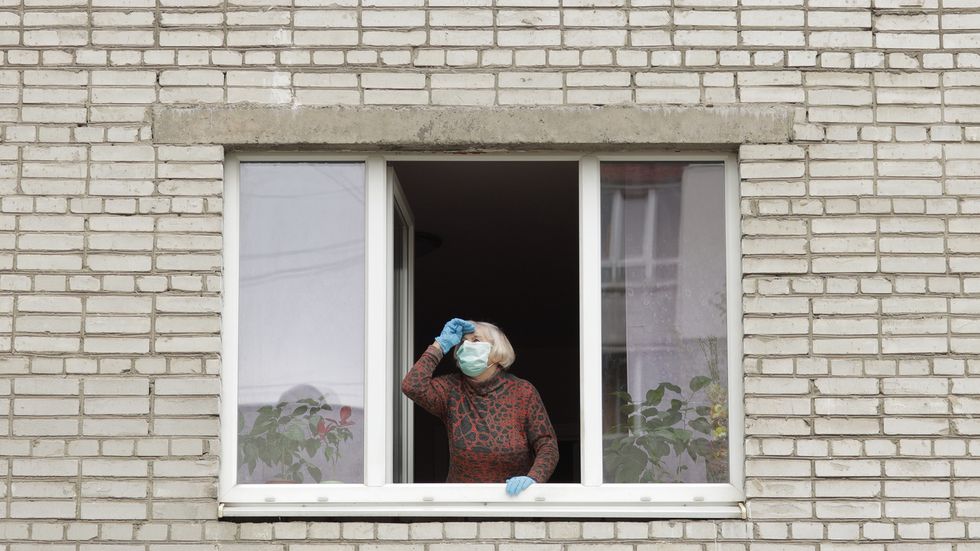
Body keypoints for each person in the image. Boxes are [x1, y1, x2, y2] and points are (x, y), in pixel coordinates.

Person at [401, 318, 559, 495]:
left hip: (513, 500)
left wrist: (533, 478)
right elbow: (412, 386)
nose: (467, 346)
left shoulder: (523, 391)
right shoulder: (451, 389)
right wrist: (439, 345)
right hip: (463, 501)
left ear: (497, 350)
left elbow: (547, 445)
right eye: (463, 342)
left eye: (475, 340)